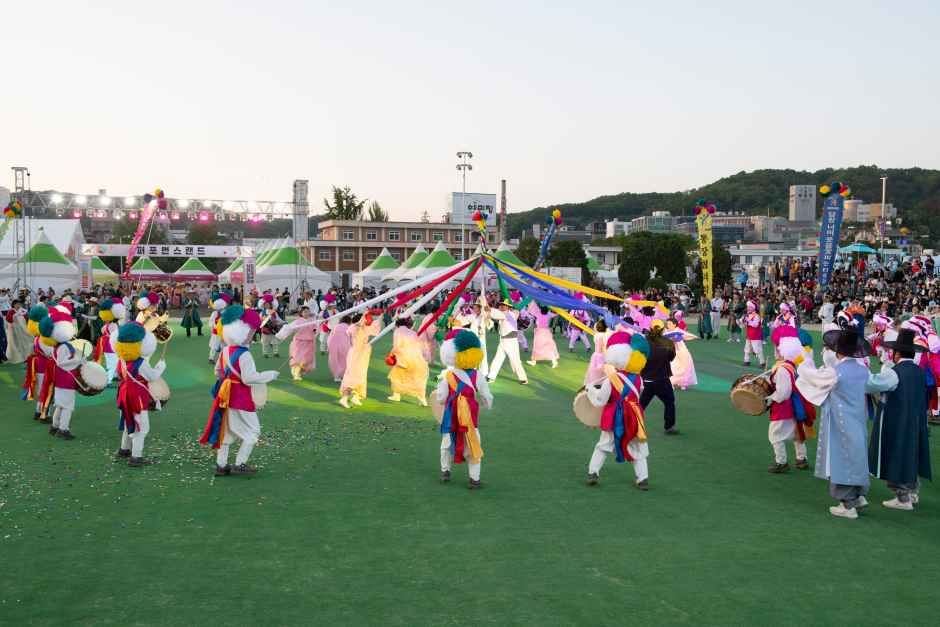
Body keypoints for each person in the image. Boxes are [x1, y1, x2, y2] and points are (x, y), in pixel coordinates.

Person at [796, 327, 897, 519]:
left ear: (838, 351)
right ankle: (858, 497)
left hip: (839, 421)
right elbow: (880, 383)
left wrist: (804, 364)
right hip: (858, 421)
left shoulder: (836, 372)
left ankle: (847, 504)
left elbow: (813, 379)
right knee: (856, 456)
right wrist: (890, 371)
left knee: (840, 459)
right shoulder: (862, 370)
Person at [199, 305, 279, 476]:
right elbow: (249, 378)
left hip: (225, 396)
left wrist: (228, 381)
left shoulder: (225, 350)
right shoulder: (245, 354)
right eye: (250, 332)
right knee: (253, 430)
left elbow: (218, 372)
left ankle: (221, 465)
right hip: (240, 396)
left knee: (226, 430)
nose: (252, 335)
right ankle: (240, 463)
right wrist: (269, 375)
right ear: (241, 332)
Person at [869, 329, 932, 510]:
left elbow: (873, 384)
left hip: (897, 421)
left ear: (897, 354)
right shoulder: (919, 372)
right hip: (916, 420)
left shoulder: (894, 372)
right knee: (912, 453)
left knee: (896, 455)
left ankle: (903, 498)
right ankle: (912, 492)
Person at [585, 330, 652, 489]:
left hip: (614, 415)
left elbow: (601, 399)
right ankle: (643, 478)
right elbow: (638, 392)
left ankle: (593, 472)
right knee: (637, 445)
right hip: (634, 415)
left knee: (604, 444)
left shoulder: (611, 379)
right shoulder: (638, 378)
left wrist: (590, 390)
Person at [435, 329, 493, 489]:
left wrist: (441, 400)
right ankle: (474, 479)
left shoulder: (448, 375)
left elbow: (440, 397)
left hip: (451, 416)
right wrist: (486, 404)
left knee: (446, 443)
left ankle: (445, 471)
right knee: (473, 444)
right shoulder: (478, 376)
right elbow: (487, 397)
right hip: (470, 417)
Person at [114, 322, 166, 467]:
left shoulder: (122, 360)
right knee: (141, 427)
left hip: (124, 394)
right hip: (136, 396)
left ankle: (124, 449)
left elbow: (118, 375)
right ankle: (136, 457)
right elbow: (153, 376)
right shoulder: (141, 363)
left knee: (127, 421)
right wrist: (161, 366)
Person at [764, 327, 814, 473]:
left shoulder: (782, 369)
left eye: (778, 348)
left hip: (784, 407)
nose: (776, 350)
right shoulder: (790, 365)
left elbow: (783, 393)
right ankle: (801, 458)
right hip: (794, 405)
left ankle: (781, 462)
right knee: (796, 433)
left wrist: (769, 398)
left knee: (775, 435)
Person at [41, 306, 83, 440]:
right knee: (68, 407)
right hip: (66, 379)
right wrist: (78, 360)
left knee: (60, 405)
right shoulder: (64, 346)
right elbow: (62, 362)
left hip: (60, 379)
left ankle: (54, 426)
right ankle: (63, 429)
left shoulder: (58, 345)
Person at [639, 320, 677, 434]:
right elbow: (671, 357)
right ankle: (669, 426)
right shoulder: (668, 343)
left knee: (641, 405)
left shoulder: (644, 342)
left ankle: (631, 424)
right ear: (662, 329)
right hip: (662, 379)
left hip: (648, 379)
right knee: (669, 402)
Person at [339, 311, 381, 408]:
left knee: (361, 375)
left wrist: (381, 315)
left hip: (363, 354)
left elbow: (376, 326)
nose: (367, 320)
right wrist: (364, 316)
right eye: (365, 319)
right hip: (355, 354)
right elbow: (357, 325)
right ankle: (344, 398)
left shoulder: (365, 328)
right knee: (352, 376)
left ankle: (356, 396)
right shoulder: (354, 328)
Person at [387, 317, 429, 405]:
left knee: (396, 376)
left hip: (404, 358)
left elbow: (397, 346)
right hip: (417, 358)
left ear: (397, 325)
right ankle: (422, 398)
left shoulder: (398, 331)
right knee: (416, 378)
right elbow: (421, 345)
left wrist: (391, 354)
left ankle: (396, 395)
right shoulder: (413, 332)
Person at [488, 299, 528, 384]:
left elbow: (495, 314)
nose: (501, 306)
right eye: (500, 305)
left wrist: (488, 308)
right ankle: (491, 376)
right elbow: (515, 311)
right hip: (503, 340)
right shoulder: (513, 313)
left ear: (508, 307)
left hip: (510, 341)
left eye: (503, 305)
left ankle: (523, 378)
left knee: (515, 360)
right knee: (497, 359)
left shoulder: (506, 314)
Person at [22, 305, 51, 421]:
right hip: (45, 367)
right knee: (46, 390)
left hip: (38, 365)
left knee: (41, 389)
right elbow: (50, 353)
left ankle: (38, 411)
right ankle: (44, 414)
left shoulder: (36, 337)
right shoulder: (43, 338)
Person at [276, 306, 318, 381]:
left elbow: (315, 330)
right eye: (305, 312)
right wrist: (281, 335)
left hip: (309, 343)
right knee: (298, 359)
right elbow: (290, 328)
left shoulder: (312, 320)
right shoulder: (298, 322)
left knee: (307, 360)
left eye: (308, 311)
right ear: (301, 313)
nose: (307, 313)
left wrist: (316, 328)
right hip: (299, 343)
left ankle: (298, 372)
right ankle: (296, 374)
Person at [665, 319, 697, 390]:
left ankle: (683, 383)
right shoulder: (666, 332)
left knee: (684, 368)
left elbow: (689, 335)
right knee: (673, 367)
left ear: (674, 324)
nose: (668, 325)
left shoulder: (678, 331)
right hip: (672, 352)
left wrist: (680, 337)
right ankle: (671, 383)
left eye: (670, 324)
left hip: (682, 352)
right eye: (667, 324)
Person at [525, 303, 559, 369]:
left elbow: (533, 308)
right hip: (544, 332)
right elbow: (555, 314)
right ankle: (535, 361)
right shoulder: (548, 314)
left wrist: (532, 301)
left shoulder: (539, 313)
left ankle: (535, 361)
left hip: (541, 332)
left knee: (540, 347)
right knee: (546, 347)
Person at [583, 318, 611, 385]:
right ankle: (600, 385)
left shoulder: (596, 335)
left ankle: (593, 384)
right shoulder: (604, 335)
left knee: (593, 372)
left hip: (595, 355)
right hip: (602, 355)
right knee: (602, 373)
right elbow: (604, 346)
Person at [207, 291, 231, 364]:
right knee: (214, 345)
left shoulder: (226, 313)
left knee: (224, 345)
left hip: (224, 332)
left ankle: (223, 358)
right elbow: (211, 322)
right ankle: (211, 358)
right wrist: (214, 326)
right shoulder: (215, 313)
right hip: (216, 332)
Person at [742, 300, 766, 369]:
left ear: (753, 308)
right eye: (748, 307)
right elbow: (743, 323)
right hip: (749, 334)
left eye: (750, 307)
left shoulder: (756, 316)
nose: (748, 308)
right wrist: (742, 321)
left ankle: (762, 362)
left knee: (757, 349)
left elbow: (755, 325)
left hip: (755, 335)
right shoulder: (747, 315)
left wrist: (747, 321)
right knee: (747, 348)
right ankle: (746, 360)